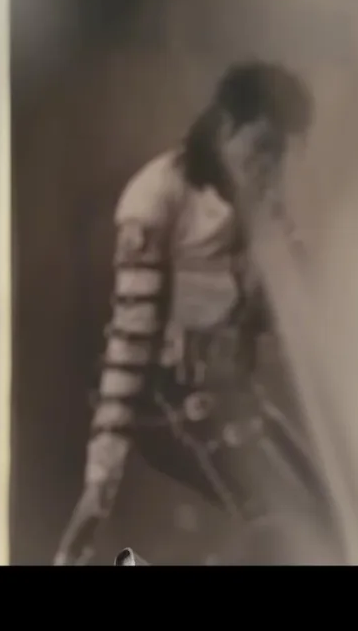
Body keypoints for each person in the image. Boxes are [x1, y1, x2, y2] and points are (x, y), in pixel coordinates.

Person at [54, 63, 339, 566]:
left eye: (277, 155)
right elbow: (128, 343)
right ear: (227, 128)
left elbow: (279, 313)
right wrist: (102, 473)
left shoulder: (257, 200)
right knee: (277, 526)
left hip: (233, 400)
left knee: (325, 514)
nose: (267, 166)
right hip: (168, 404)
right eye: (260, 149)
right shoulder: (158, 196)